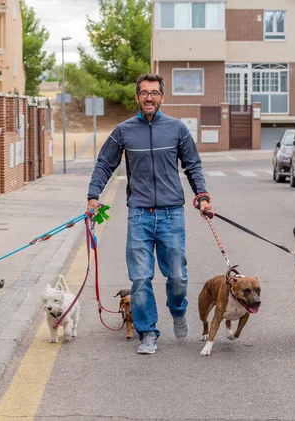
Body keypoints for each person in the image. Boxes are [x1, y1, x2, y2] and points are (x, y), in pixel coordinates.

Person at [86, 73, 212, 355]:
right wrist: (94, 196)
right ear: (137, 98)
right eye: (144, 93)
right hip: (139, 215)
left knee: (177, 275)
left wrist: (202, 196)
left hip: (172, 215)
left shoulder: (178, 129)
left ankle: (178, 310)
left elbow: (193, 165)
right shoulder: (124, 131)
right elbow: (104, 165)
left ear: (162, 97)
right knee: (140, 278)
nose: (149, 97)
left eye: (154, 93)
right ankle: (147, 332)